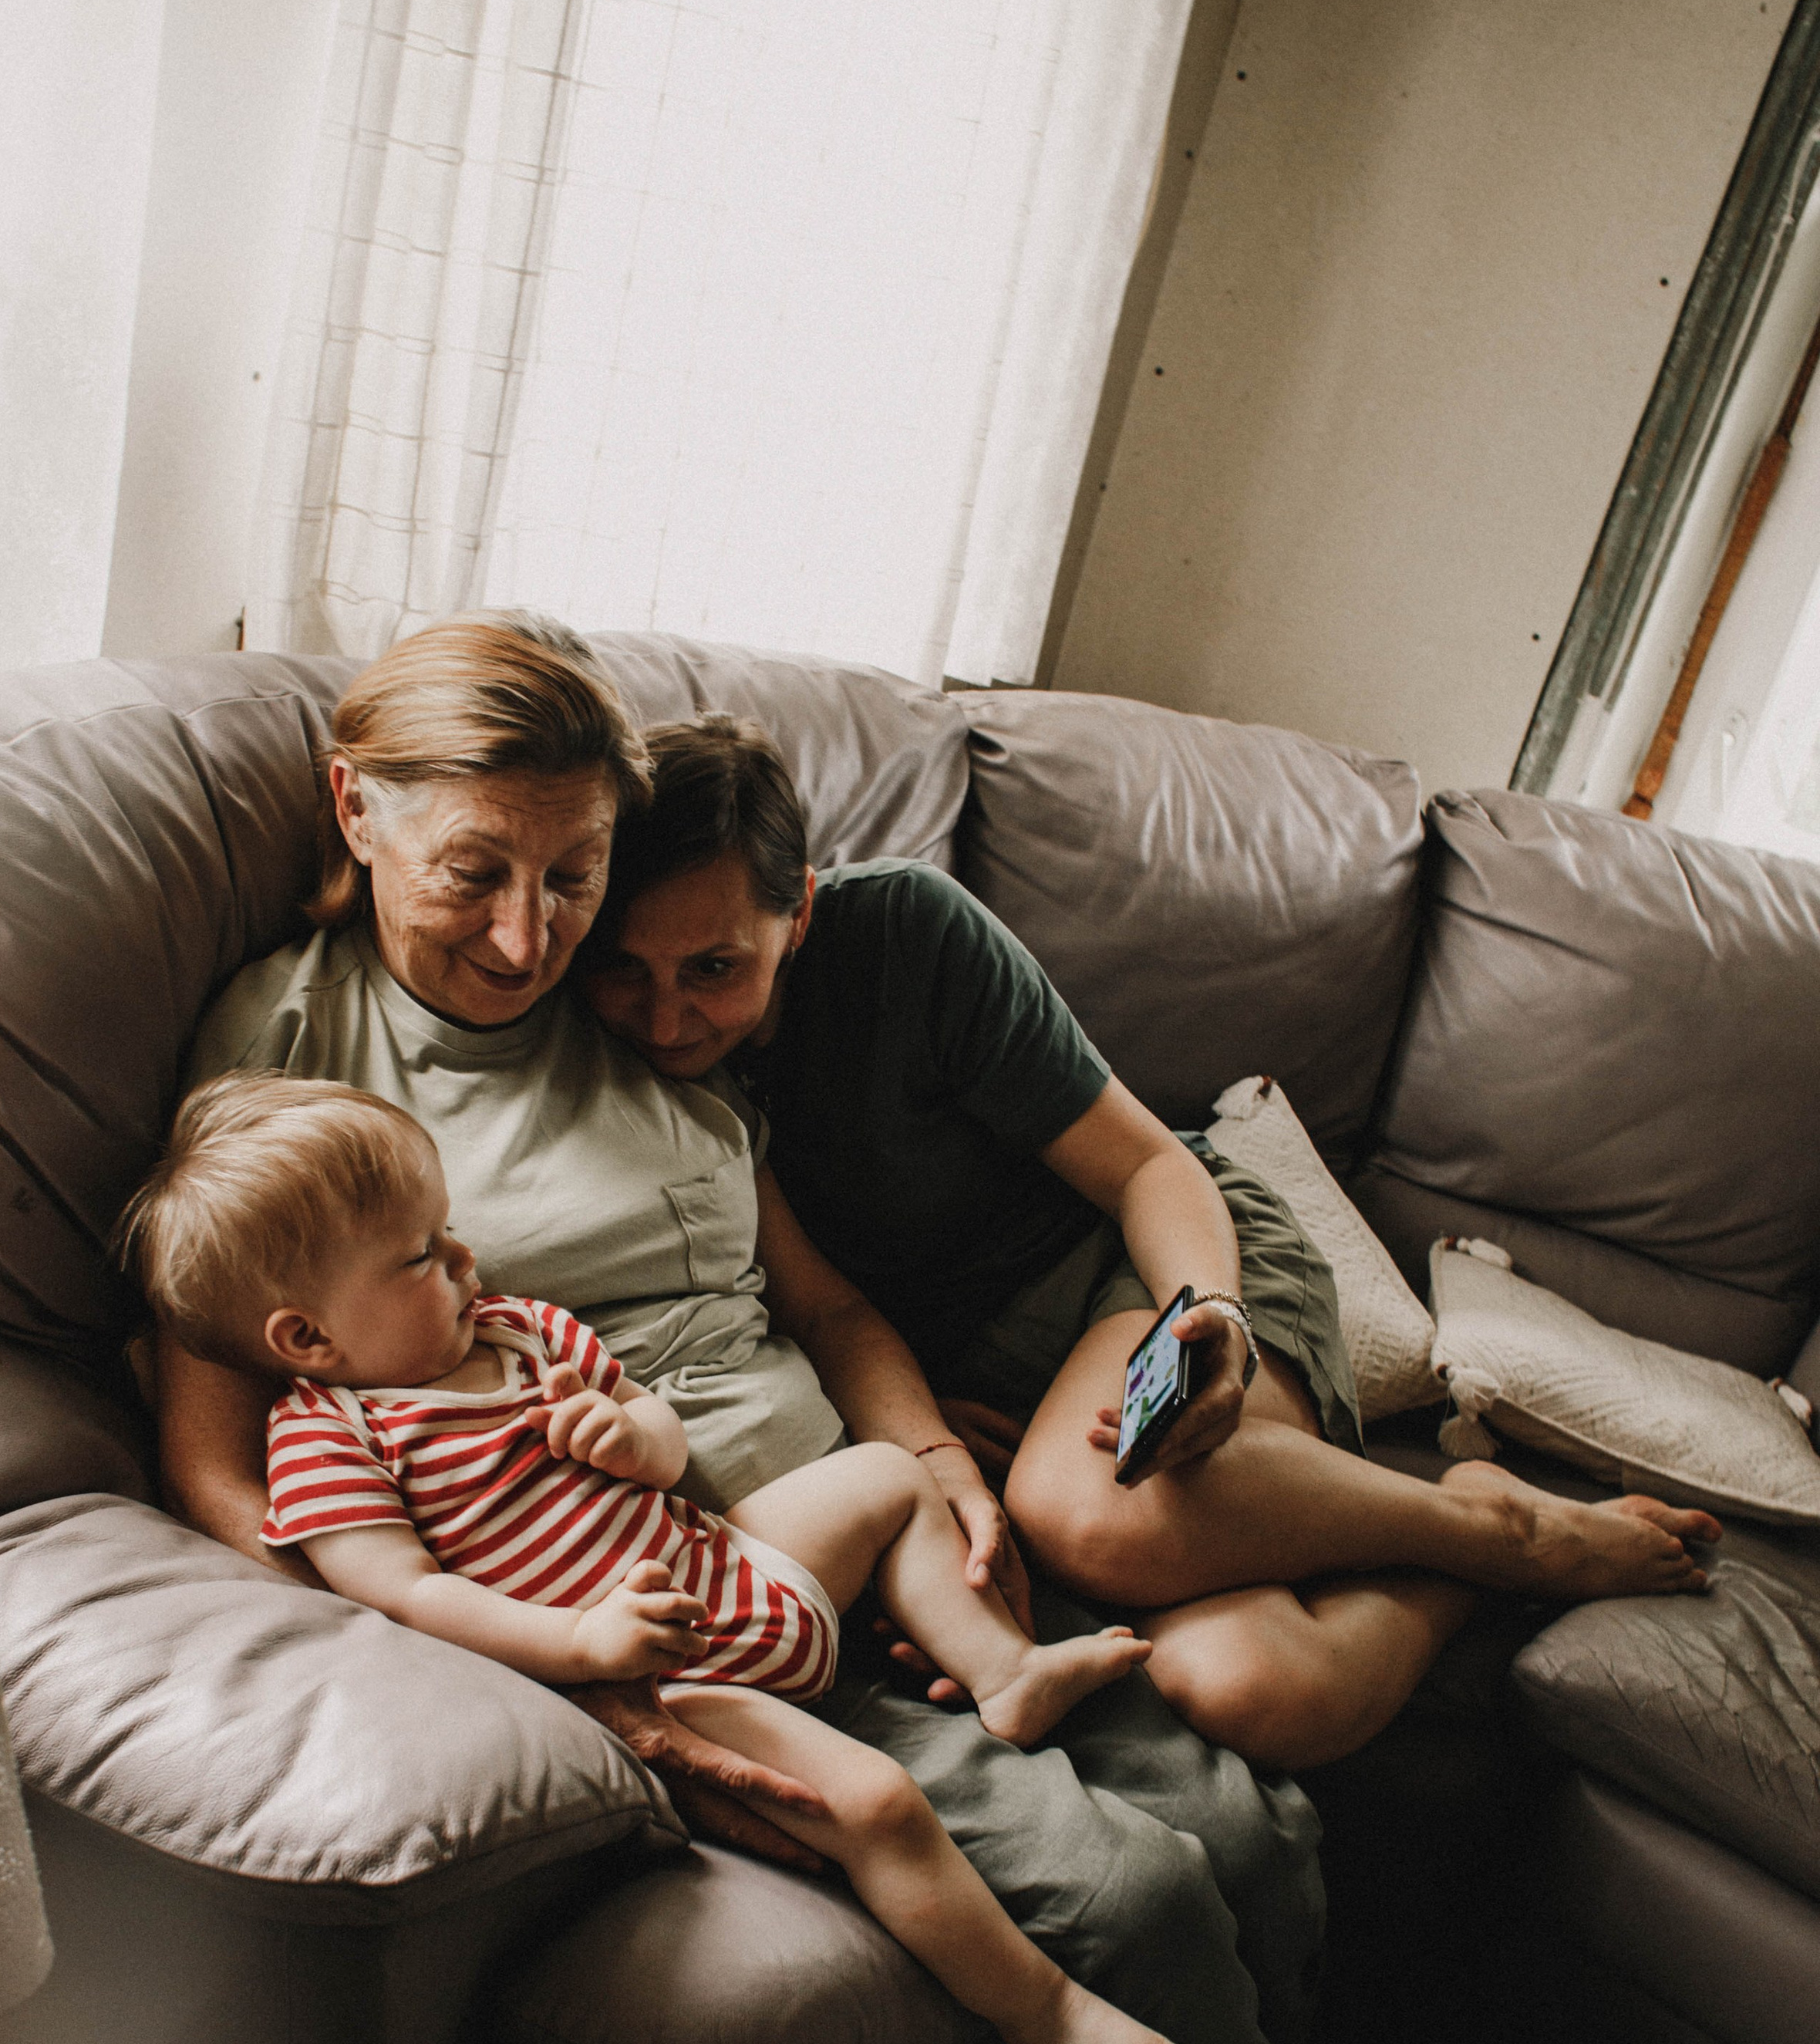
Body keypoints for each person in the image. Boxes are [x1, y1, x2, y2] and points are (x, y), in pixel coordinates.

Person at [152, 611, 1528, 2044]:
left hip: (859, 1521)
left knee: (1247, 1810)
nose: (528, 940)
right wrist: (544, 1658)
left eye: (571, 877)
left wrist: (941, 1481)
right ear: (354, 809)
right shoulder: (297, 1049)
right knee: (1137, 1885)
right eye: (473, 874)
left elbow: (826, 1309)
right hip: (676, 1590)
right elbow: (229, 1443)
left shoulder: (641, 1010)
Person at [576, 713, 1719, 1777]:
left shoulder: (907, 934)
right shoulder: (632, 1067)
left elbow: (1148, 1169)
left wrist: (1205, 1317)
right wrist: (931, 1449)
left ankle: (1503, 1528)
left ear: (802, 914)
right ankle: (1465, 1543)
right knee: (1263, 1690)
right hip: (994, 1380)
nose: (669, 1017)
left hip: (1150, 1262)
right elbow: (829, 1313)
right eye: (627, 967)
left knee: (1088, 1508)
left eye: (716, 968)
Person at [121, 1072, 1199, 2044]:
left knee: (888, 1478)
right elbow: (405, 1597)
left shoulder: (515, 1329)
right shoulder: (330, 1440)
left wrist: (634, 1438)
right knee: (874, 1809)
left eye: (449, 1231)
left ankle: (1002, 1673)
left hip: (727, 1562)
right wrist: (583, 1643)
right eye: (423, 1255)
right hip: (661, 1675)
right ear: (307, 1339)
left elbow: (658, 1431)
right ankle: (1045, 2013)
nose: (466, 1258)